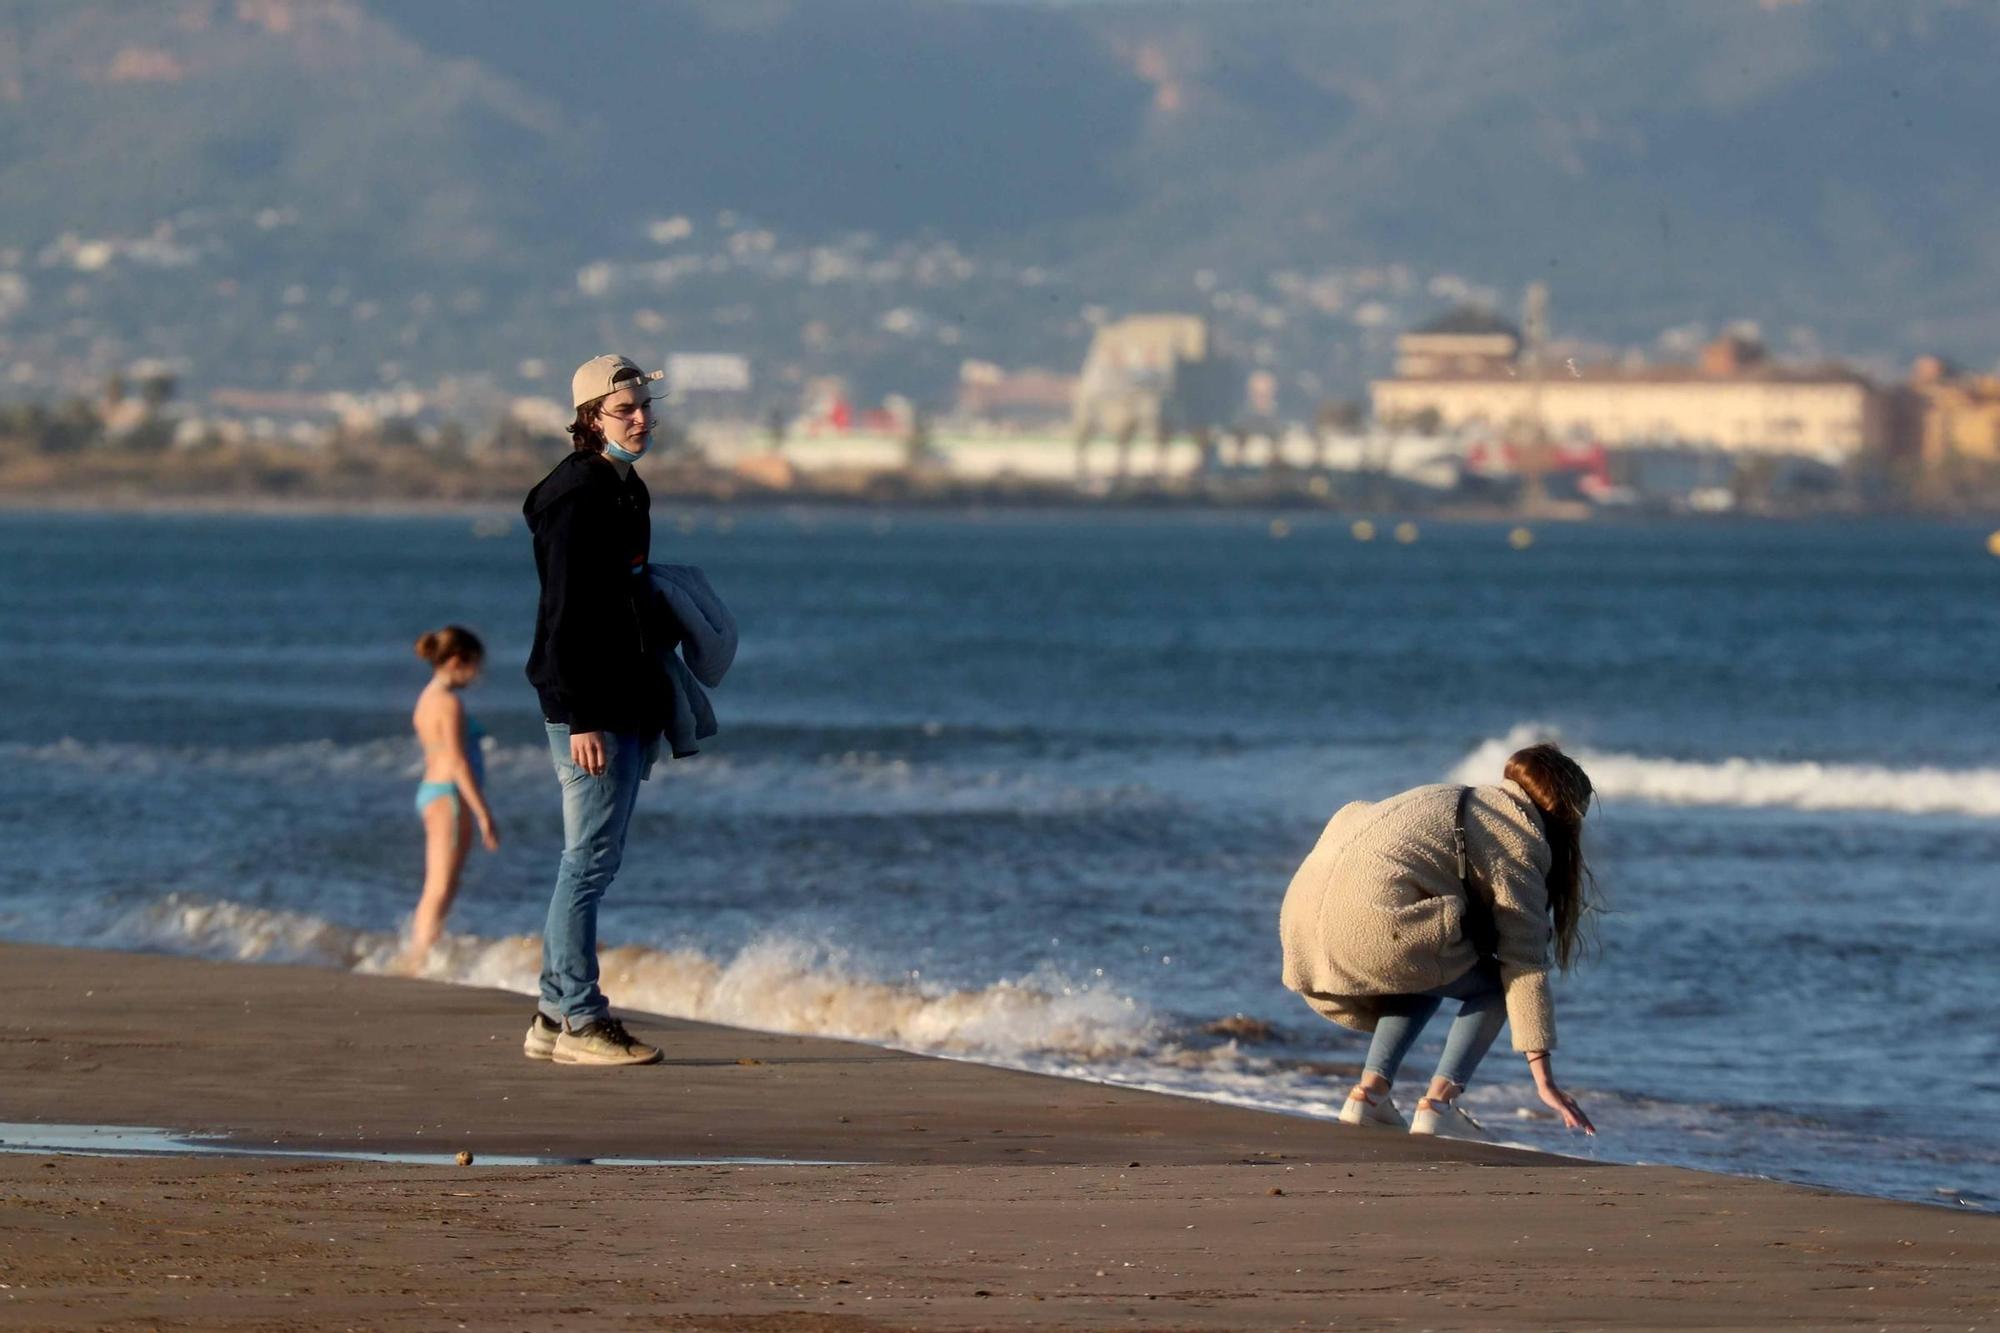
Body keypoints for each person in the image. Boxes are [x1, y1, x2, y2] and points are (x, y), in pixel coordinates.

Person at [1278, 742, 1598, 1139]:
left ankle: (1369, 1096)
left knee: (1427, 961)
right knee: (1498, 984)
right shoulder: (1518, 837)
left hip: (1303, 928)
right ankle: (1439, 1104)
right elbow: (1524, 965)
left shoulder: (1456, 797)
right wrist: (1545, 1082)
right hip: (1373, 930)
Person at [520, 354, 672, 1067]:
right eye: (625, 410)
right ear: (589, 419)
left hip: (625, 698)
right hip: (592, 708)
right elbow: (564, 616)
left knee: (593, 862)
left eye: (644, 406)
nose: (641, 419)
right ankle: (581, 1018)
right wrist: (579, 715)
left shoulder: (622, 486)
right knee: (586, 864)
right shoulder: (576, 496)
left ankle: (553, 1015)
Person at [404, 625, 500, 972]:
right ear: (458, 661)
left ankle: (423, 952)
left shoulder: (426, 699)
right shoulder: (449, 703)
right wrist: (484, 812)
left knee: (439, 882)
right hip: (450, 796)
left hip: (431, 792)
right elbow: (458, 761)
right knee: (441, 884)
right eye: (475, 666)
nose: (477, 675)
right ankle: (420, 960)